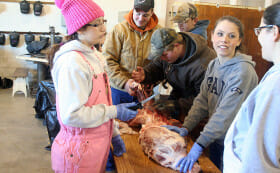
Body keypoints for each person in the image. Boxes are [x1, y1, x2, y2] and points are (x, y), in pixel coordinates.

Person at [50, 0, 138, 172]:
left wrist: (113, 134)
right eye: (96, 24)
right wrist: (115, 111)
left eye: (103, 22)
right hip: (77, 154)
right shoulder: (72, 62)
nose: (104, 28)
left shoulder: (96, 56)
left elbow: (101, 101)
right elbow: (71, 115)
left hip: (95, 150)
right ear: (80, 28)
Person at [162, 16, 259, 172]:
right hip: (217, 138)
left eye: (231, 36)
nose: (224, 40)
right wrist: (186, 126)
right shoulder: (214, 64)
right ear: (212, 36)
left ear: (239, 41)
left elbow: (225, 113)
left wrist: (199, 144)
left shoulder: (243, 72)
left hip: (235, 144)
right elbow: (202, 100)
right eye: (220, 34)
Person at [223, 3, 280, 173]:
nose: (258, 37)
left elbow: (260, 161)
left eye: (260, 30)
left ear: (274, 32)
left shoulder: (276, 84)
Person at [131, 28, 216, 122]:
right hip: (179, 99)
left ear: (177, 45)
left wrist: (176, 105)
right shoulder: (168, 54)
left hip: (200, 113)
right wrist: (146, 74)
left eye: (164, 55)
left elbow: (205, 100)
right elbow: (158, 66)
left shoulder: (204, 66)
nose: (162, 58)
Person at [102, 0, 161, 105]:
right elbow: (107, 60)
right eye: (137, 14)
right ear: (133, 10)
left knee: (144, 120)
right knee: (119, 121)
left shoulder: (159, 33)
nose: (141, 19)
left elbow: (162, 63)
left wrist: (153, 80)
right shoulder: (119, 30)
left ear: (152, 12)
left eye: (145, 15)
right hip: (120, 92)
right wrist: (124, 83)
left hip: (145, 92)